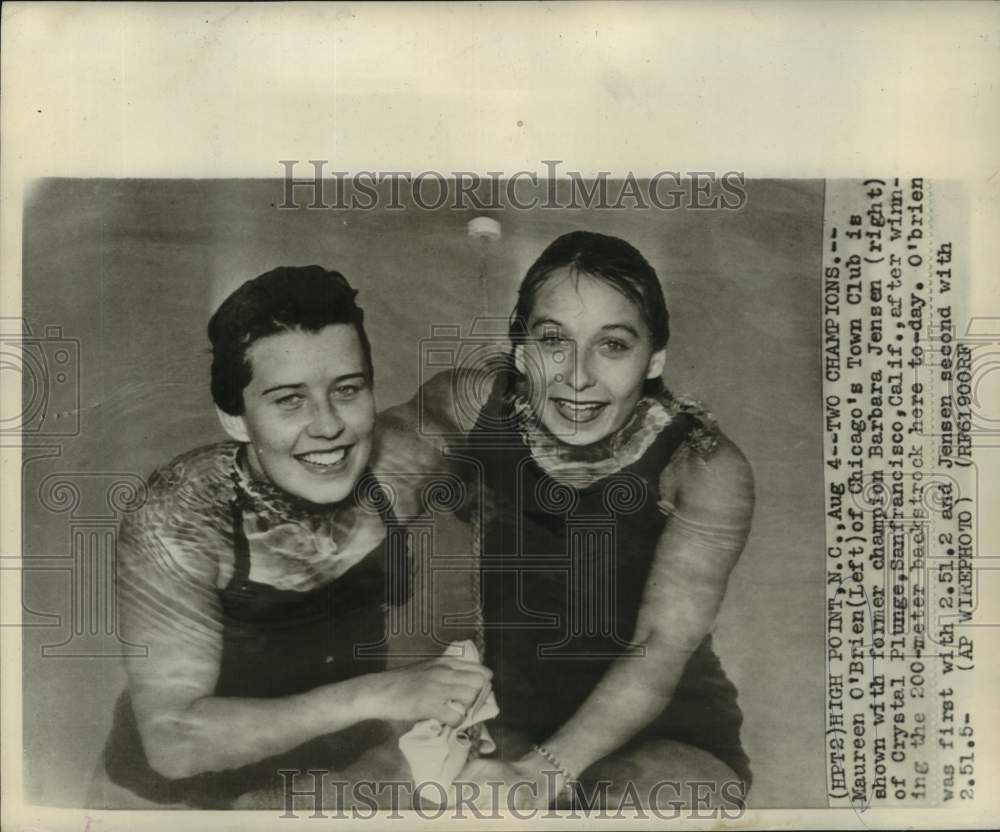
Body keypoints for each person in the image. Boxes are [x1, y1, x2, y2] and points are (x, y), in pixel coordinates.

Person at [88, 266, 491, 809]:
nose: (328, 427)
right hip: (176, 801)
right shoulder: (182, 519)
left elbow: (478, 390)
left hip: (339, 768)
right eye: (289, 400)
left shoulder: (400, 467)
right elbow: (173, 743)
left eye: (347, 390)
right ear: (236, 419)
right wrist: (383, 693)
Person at [412, 231, 755, 810]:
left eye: (613, 346)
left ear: (655, 359)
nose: (577, 375)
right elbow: (381, 463)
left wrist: (540, 777)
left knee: (643, 808)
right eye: (553, 341)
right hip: (509, 719)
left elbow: (660, 644)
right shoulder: (470, 408)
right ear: (520, 349)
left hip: (667, 732)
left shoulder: (701, 465)